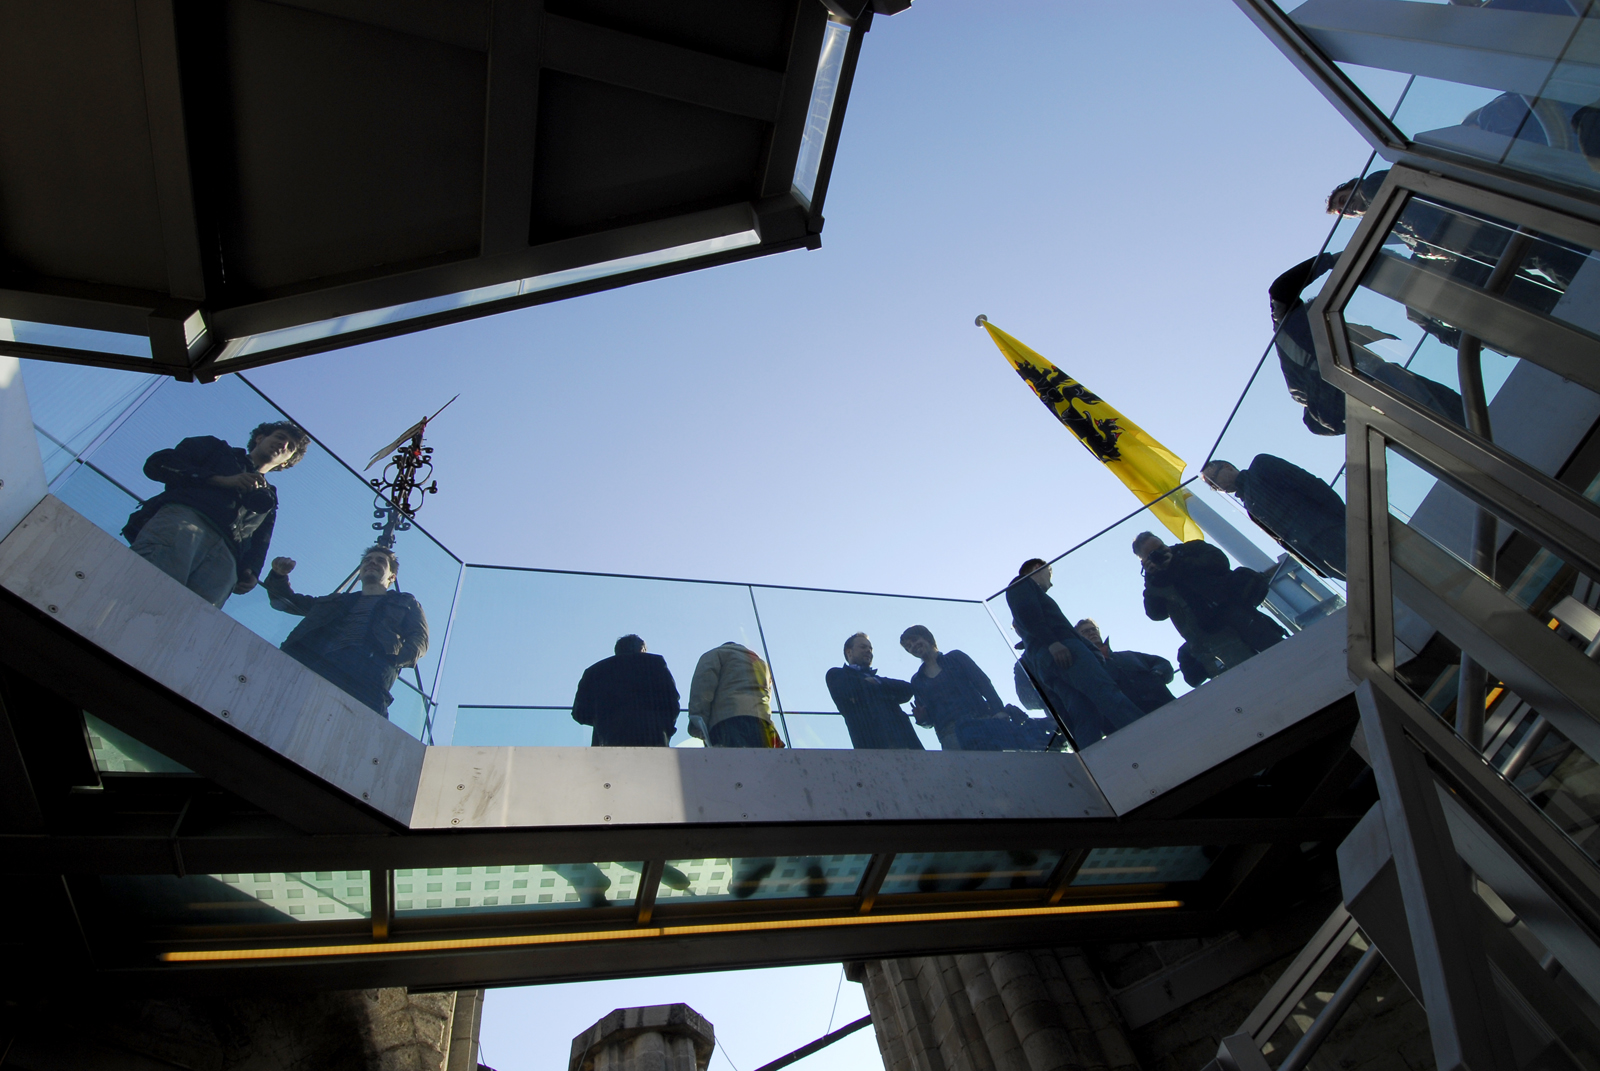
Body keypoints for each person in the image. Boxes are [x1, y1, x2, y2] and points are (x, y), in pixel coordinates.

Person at [1268, 253, 1465, 435]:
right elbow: (1280, 291)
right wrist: (1332, 260)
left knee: (1449, 410)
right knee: (1446, 415)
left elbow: (1324, 422)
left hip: (1372, 387)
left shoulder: (1310, 378)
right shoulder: (1289, 328)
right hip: (1370, 385)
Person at [123, 420, 311, 607]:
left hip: (226, 557)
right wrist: (220, 480)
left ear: (286, 462)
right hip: (185, 522)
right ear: (259, 438)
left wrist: (251, 571)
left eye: (290, 447)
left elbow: (261, 540)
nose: (283, 445)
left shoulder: (268, 497)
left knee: (191, 617)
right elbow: (158, 464)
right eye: (280, 437)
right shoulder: (217, 449)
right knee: (143, 590)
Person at [265, 545, 429, 718]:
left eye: (380, 560)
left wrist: (391, 660)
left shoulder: (405, 602)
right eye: (367, 560)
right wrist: (278, 576)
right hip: (317, 661)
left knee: (360, 727)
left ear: (392, 577)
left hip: (367, 676)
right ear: (360, 572)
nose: (372, 562)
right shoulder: (335, 601)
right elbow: (287, 602)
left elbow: (420, 638)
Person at [1004, 559, 1146, 745]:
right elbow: (1028, 612)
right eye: (1049, 574)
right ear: (1038, 567)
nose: (1051, 583)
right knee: (1105, 692)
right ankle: (1149, 733)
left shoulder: (1023, 592)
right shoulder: (1022, 584)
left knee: (1083, 711)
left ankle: (1092, 754)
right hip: (1063, 649)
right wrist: (1053, 642)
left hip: (1045, 662)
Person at [1132, 533, 1284, 686]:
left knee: (1284, 654)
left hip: (1243, 618)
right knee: (1254, 680)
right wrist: (1153, 580)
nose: (1159, 554)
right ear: (1144, 561)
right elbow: (1156, 614)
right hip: (1214, 639)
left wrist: (1178, 563)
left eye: (1160, 548)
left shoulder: (1189, 550)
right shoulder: (1156, 583)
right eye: (1152, 555)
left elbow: (1220, 561)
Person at [1203, 456, 1348, 580]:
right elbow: (1283, 540)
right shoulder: (1248, 506)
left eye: (1214, 478)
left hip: (1329, 532)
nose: (1218, 486)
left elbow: (1311, 484)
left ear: (1227, 467)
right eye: (1213, 487)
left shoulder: (1261, 466)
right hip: (1318, 555)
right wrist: (1315, 567)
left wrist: (1344, 516)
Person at [899, 625, 1015, 750]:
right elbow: (930, 719)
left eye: (914, 640)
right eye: (908, 647)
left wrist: (999, 710)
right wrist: (922, 719)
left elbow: (983, 684)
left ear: (927, 637)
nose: (913, 646)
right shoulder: (917, 680)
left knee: (992, 760)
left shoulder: (955, 658)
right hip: (949, 735)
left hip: (980, 723)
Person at [570, 635, 680, 747]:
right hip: (653, 738)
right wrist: (666, 730)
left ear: (617, 651)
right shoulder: (655, 663)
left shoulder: (594, 672)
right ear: (642, 649)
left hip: (609, 739)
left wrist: (602, 720)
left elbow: (579, 713)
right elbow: (672, 701)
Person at [825, 633, 925, 750]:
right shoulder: (837, 675)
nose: (868, 651)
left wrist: (876, 682)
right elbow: (849, 689)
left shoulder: (878, 680)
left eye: (870, 648)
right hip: (871, 746)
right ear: (849, 652)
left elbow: (907, 689)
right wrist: (883, 690)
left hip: (906, 743)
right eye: (863, 647)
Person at [1072, 619, 1175, 714]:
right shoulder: (1088, 671)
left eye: (1093, 629)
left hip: (1168, 706)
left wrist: (1157, 674)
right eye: (1085, 631)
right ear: (1079, 639)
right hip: (1132, 720)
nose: (1091, 632)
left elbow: (1162, 663)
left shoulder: (1129, 655)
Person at [687, 642, 778, 748]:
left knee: (726, 758)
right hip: (762, 724)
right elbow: (766, 694)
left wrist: (698, 721)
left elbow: (703, 687)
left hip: (728, 721)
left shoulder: (715, 655)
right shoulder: (761, 663)